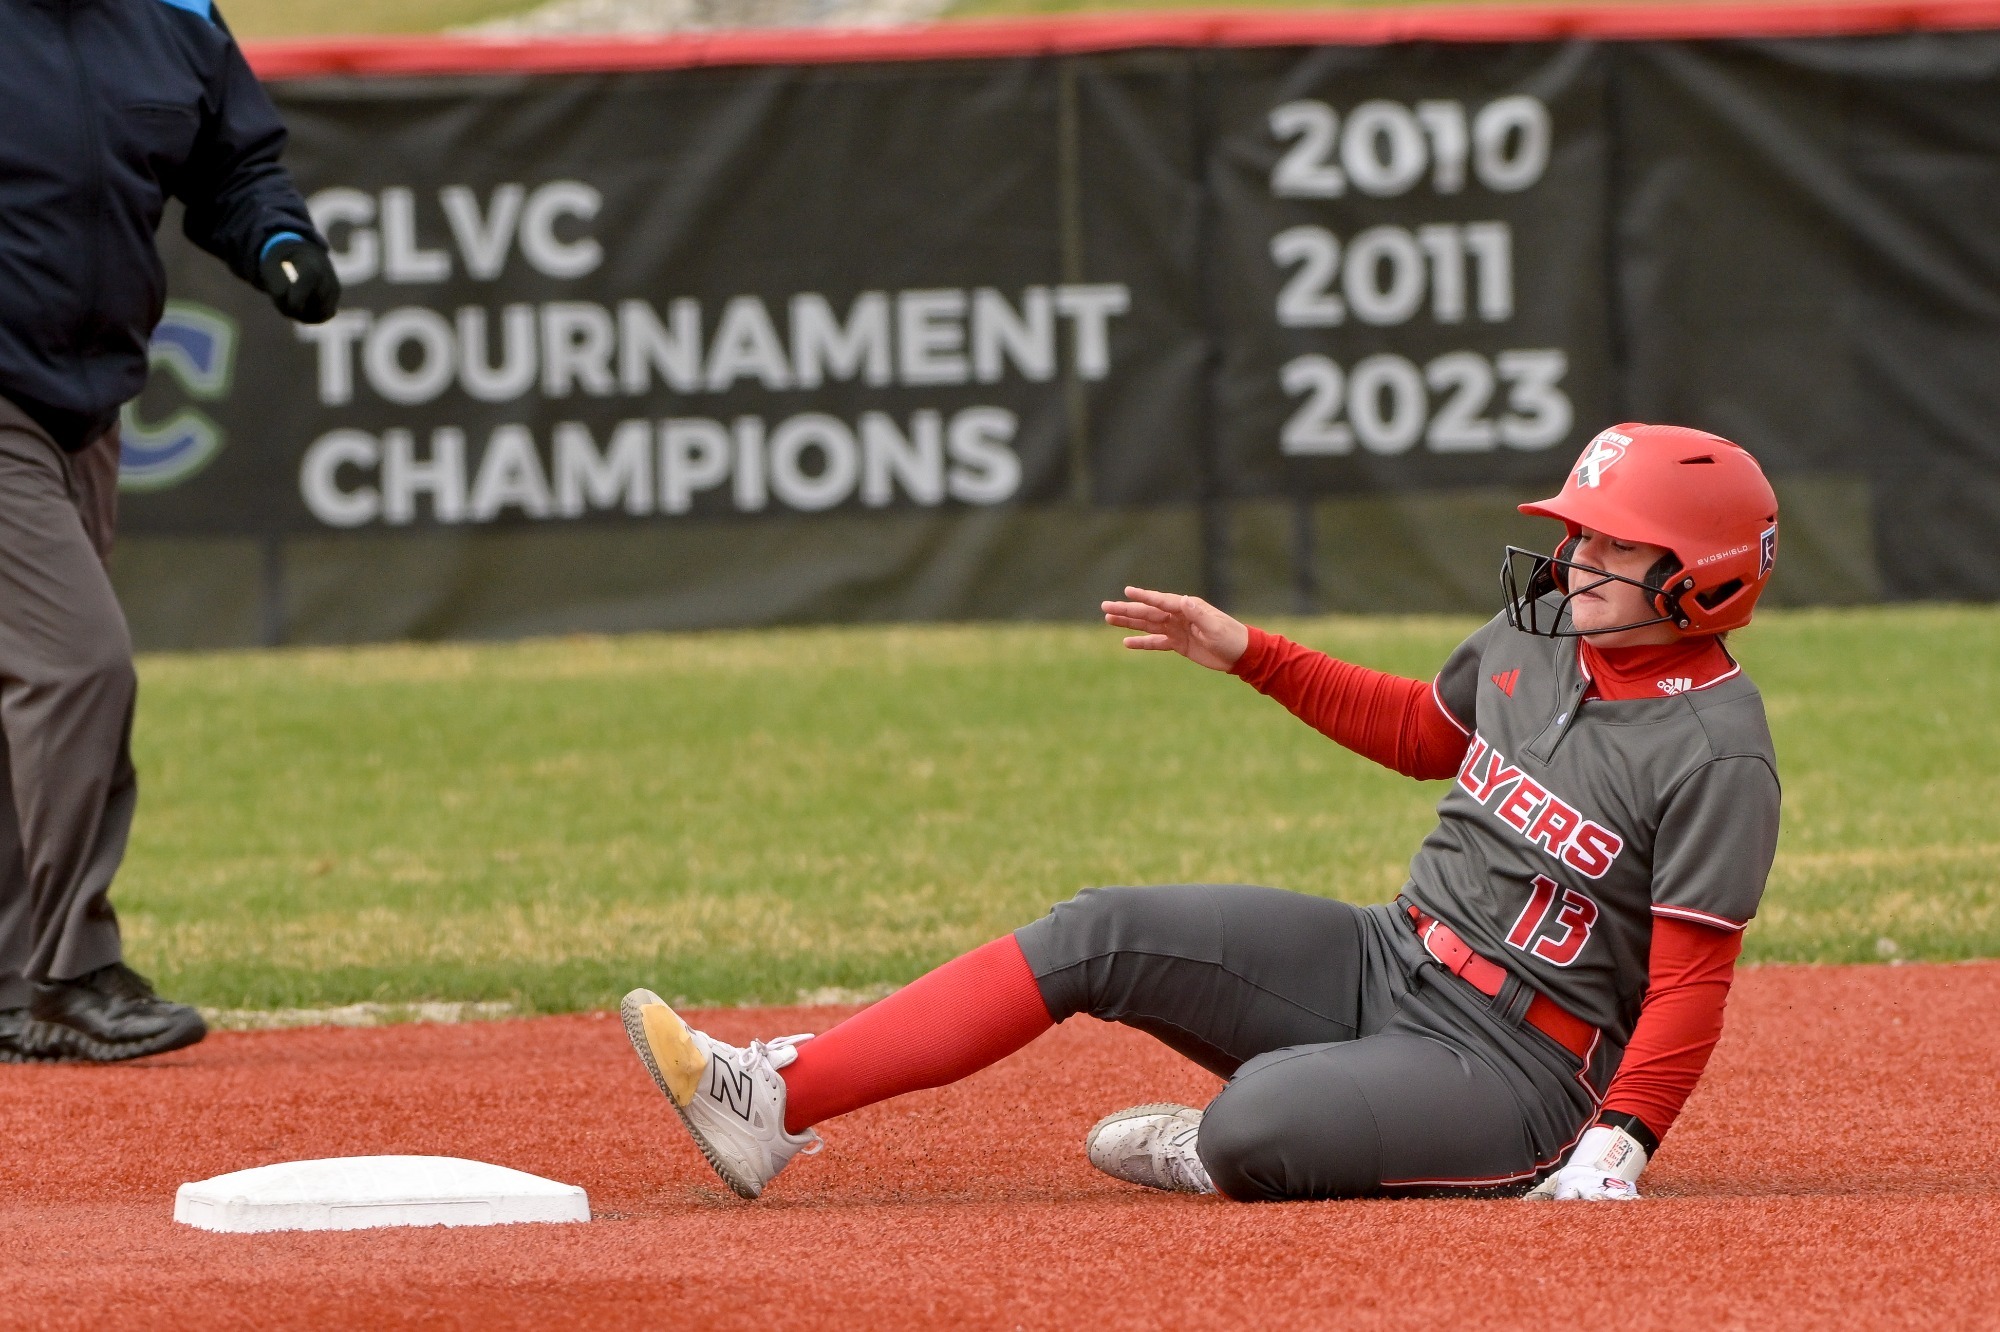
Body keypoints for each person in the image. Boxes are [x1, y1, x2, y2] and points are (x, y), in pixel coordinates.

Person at [620, 423, 1782, 1202]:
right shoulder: (1528, 645)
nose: (1568, 558)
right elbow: (1416, 736)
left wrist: (1619, 1142)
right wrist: (1249, 654)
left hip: (1520, 1065)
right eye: (1572, 532)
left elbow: (1686, 985)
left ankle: (1258, 1140)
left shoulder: (1717, 752)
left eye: (1605, 544)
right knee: (1102, 929)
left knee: (1250, 1129)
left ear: (1699, 577)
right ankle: (772, 1099)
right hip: (1387, 958)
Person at [0, 0, 339, 1061]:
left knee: (28, 704)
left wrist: (277, 238)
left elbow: (232, 166)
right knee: (77, 670)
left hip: (86, 403)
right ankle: (67, 973)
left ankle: (15, 979)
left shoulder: (175, 15)